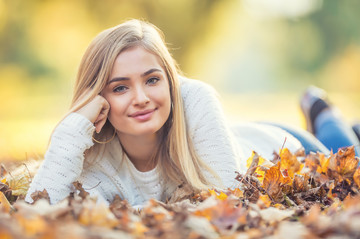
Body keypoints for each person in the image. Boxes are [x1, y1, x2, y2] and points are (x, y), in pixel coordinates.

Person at [25, 19, 360, 207]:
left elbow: (231, 197)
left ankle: (321, 111)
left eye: (152, 80)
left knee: (351, 157)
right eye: (120, 87)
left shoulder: (194, 97)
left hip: (285, 145)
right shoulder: (89, 152)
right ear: (98, 100)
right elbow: (39, 210)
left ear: (171, 82)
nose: (141, 98)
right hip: (242, 135)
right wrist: (72, 128)